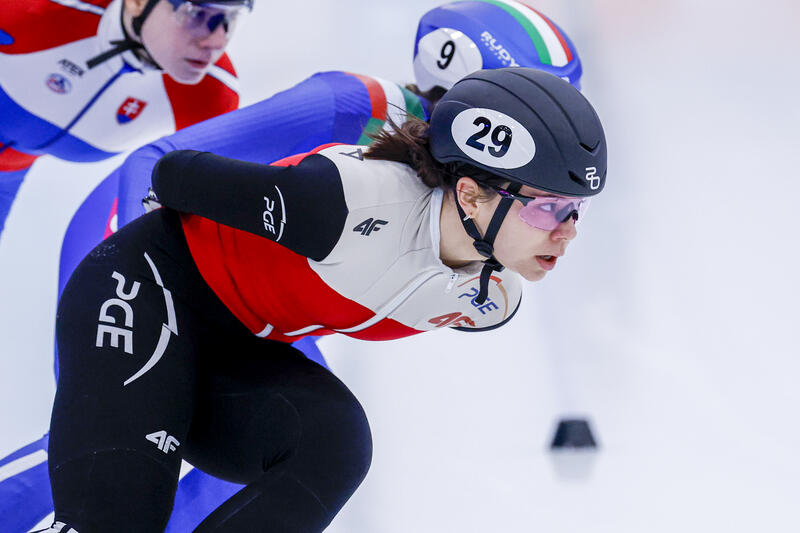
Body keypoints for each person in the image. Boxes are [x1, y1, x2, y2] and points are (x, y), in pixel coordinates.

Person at [43, 67, 608, 532]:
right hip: (149, 288)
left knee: (333, 443)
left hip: (238, 348)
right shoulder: (348, 205)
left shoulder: (492, 295)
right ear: (470, 194)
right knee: (115, 521)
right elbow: (174, 173)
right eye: (548, 207)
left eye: (575, 210)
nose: (568, 232)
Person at [0, 0, 251, 240]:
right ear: (138, 2)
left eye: (229, 19)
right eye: (195, 14)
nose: (216, 41)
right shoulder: (34, 8)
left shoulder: (211, 95)